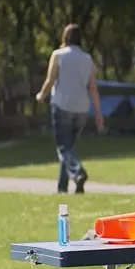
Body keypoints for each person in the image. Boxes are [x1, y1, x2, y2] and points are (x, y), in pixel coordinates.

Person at [35, 23, 104, 194]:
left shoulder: (58, 55)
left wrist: (41, 95)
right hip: (82, 107)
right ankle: (62, 187)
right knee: (69, 147)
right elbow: (93, 88)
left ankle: (78, 172)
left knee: (64, 147)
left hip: (62, 105)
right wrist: (98, 113)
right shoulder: (87, 59)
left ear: (64, 38)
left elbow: (50, 80)